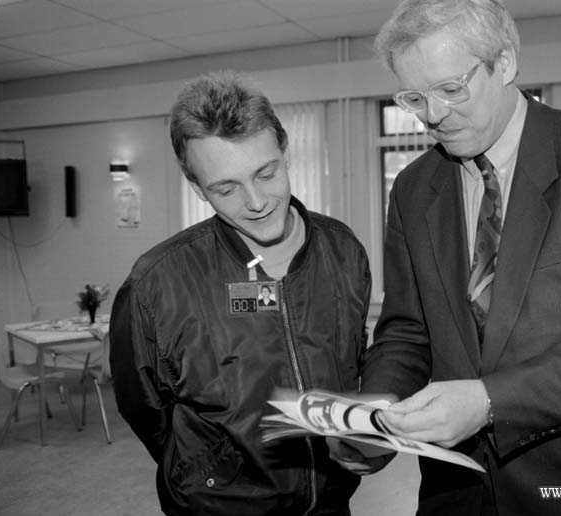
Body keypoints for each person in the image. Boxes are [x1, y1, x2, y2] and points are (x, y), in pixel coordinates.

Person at [354, 1, 561, 515]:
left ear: (506, 63)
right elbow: (407, 330)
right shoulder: (412, 187)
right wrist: (374, 412)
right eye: (413, 97)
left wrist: (490, 401)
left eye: (450, 89)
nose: (432, 115)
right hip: (455, 489)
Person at [109, 70, 373, 516]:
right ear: (197, 187)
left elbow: (352, 363)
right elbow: (144, 409)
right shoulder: (156, 282)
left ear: (285, 151)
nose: (255, 201)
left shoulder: (342, 251)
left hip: (330, 501)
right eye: (225, 188)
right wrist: (207, 472)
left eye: (266, 173)